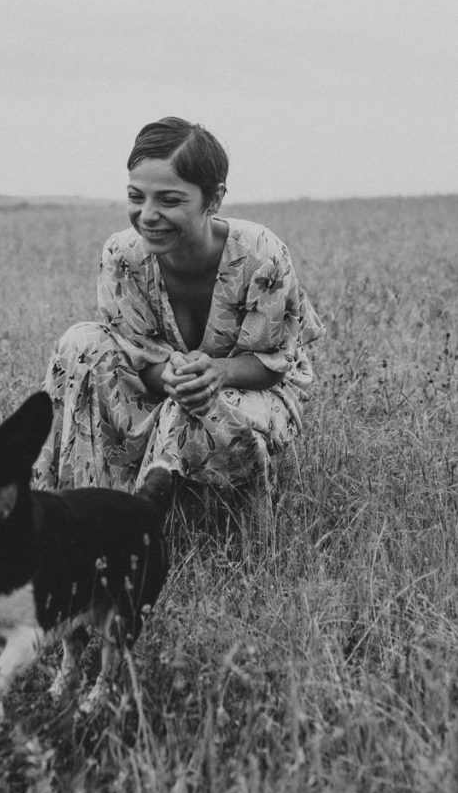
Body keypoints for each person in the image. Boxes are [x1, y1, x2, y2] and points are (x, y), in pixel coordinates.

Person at [34, 117, 325, 503]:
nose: (148, 215)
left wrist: (217, 373)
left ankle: (166, 515)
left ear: (214, 199)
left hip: (248, 394)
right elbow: (138, 359)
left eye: (169, 200)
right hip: (167, 391)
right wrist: (169, 377)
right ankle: (77, 507)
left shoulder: (261, 254)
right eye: (136, 197)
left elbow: (275, 365)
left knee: (190, 405)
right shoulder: (122, 256)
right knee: (81, 343)